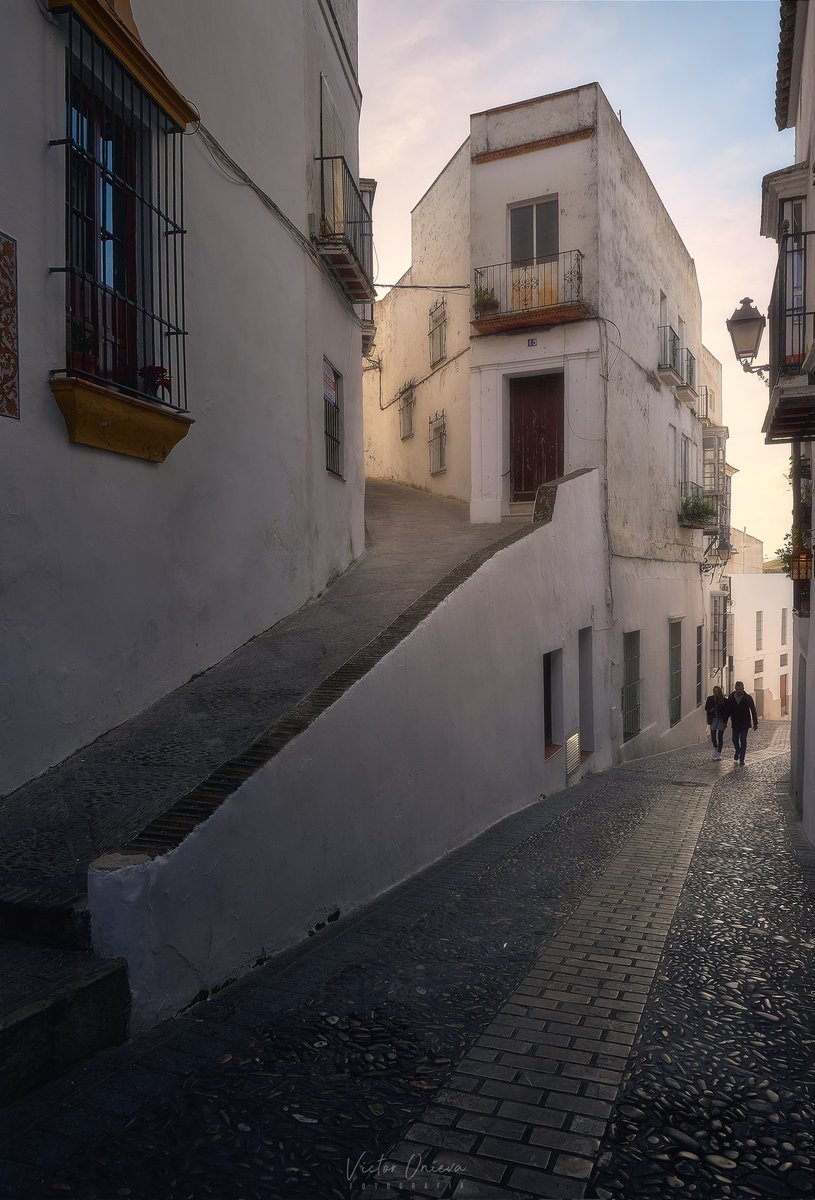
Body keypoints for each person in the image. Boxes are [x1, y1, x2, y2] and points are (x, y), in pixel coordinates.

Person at [727, 681, 758, 765]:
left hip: (745, 723)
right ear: (735, 689)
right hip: (735, 722)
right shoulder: (731, 697)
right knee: (734, 739)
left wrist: (755, 723)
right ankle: (737, 751)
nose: (739, 691)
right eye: (737, 689)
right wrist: (725, 721)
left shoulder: (748, 698)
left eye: (740, 689)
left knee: (743, 740)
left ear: (743, 689)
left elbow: (753, 710)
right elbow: (728, 710)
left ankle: (742, 759)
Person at [704, 684, 729, 759]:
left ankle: (718, 753)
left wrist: (725, 722)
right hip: (713, 719)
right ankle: (716, 747)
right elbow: (706, 708)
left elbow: (726, 712)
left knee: (720, 737)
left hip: (721, 720)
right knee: (713, 737)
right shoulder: (710, 699)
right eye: (714, 691)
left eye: (717, 691)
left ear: (719, 692)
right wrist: (710, 710)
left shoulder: (724, 700)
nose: (715, 693)